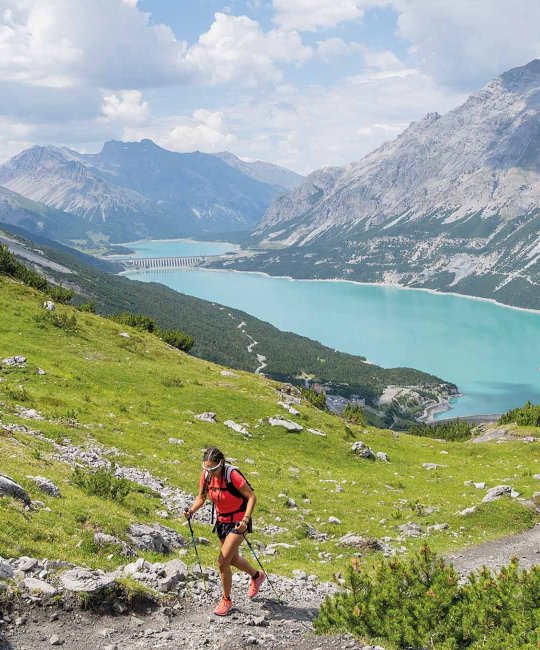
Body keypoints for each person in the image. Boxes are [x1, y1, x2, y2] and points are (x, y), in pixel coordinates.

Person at [184, 446, 266, 616]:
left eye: (213, 468)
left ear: (221, 463)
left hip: (238, 522)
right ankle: (257, 576)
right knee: (233, 559)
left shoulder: (232, 475)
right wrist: (191, 510)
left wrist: (245, 519)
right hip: (221, 522)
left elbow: (251, 497)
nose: (210, 472)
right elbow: (201, 497)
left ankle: (226, 600)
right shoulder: (206, 474)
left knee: (222, 562)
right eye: (206, 468)